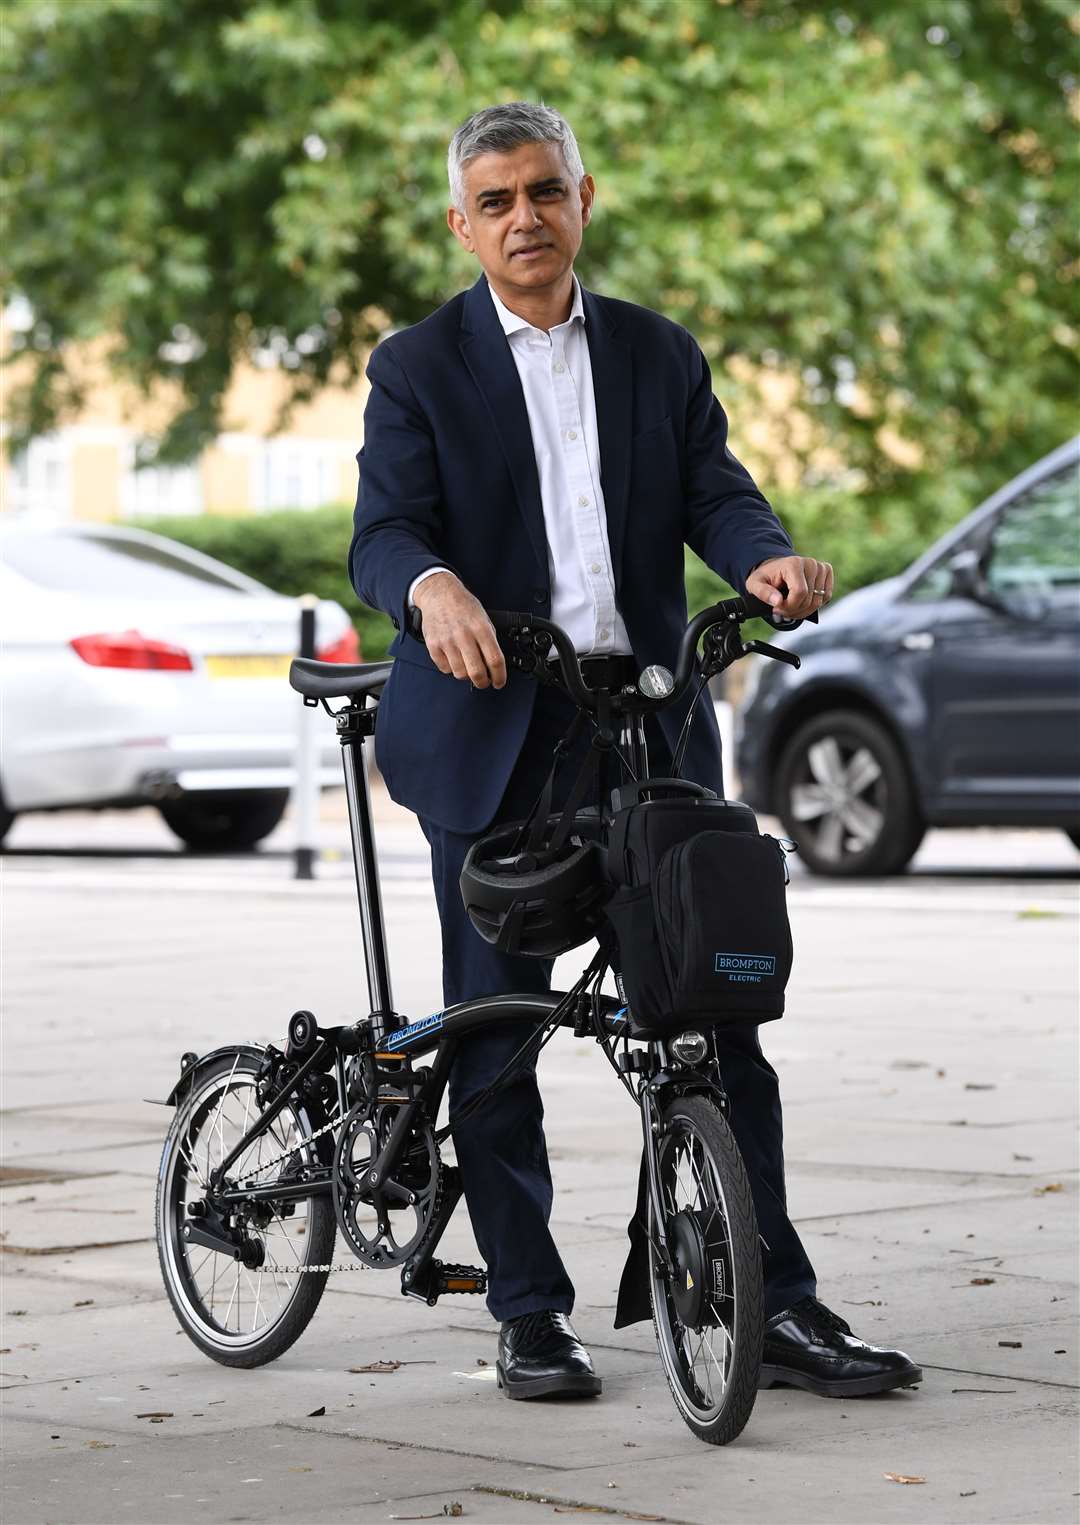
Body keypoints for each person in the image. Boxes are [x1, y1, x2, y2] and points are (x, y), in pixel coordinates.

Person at [349, 102, 921, 1402]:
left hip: (649, 730)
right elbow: (382, 530)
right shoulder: (417, 367)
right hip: (500, 738)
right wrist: (431, 586)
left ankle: (774, 1301)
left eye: (543, 192)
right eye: (493, 202)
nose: (523, 219)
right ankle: (529, 1311)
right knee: (497, 1039)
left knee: (719, 1016)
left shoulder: (658, 355)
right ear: (462, 223)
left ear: (583, 197)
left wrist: (762, 552)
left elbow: (713, 489)